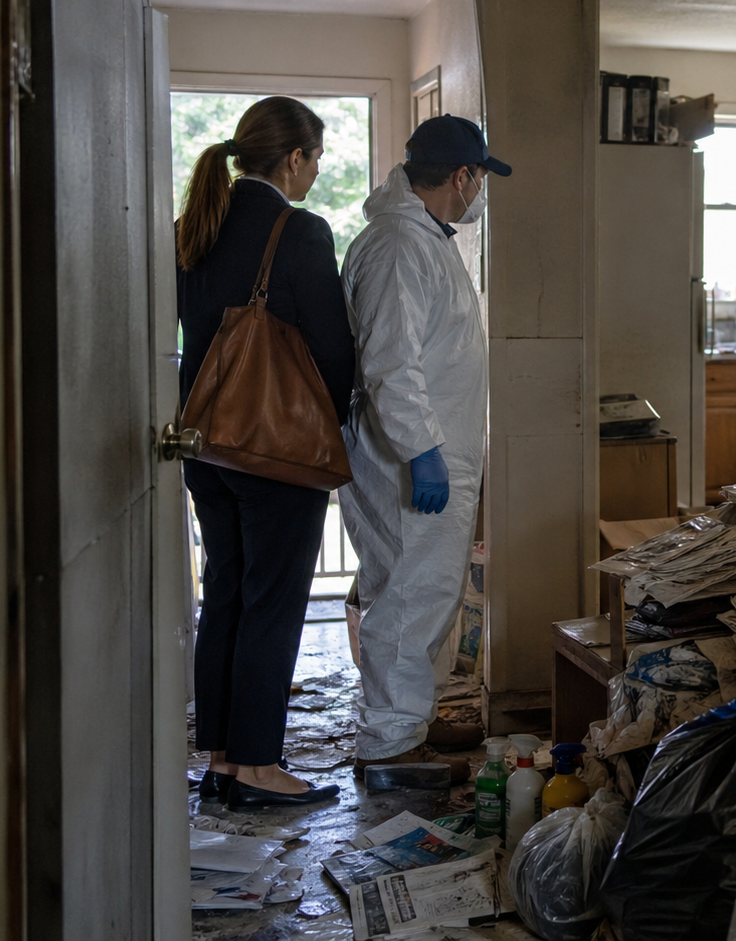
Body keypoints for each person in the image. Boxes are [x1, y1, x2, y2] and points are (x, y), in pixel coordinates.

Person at [177, 96, 354, 808]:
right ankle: (258, 767)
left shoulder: (196, 225)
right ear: (294, 158)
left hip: (202, 443)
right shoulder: (300, 230)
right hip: (274, 451)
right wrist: (325, 427)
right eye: (316, 159)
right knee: (273, 604)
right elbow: (332, 349)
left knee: (225, 594)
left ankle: (222, 759)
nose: (316, 173)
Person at [340, 115, 510, 782]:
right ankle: (389, 744)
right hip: (408, 459)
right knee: (409, 597)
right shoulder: (397, 245)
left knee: (426, 593)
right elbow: (391, 362)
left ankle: (410, 717)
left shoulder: (422, 238)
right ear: (462, 176)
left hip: (430, 451)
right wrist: (422, 451)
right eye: (480, 179)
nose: (480, 193)